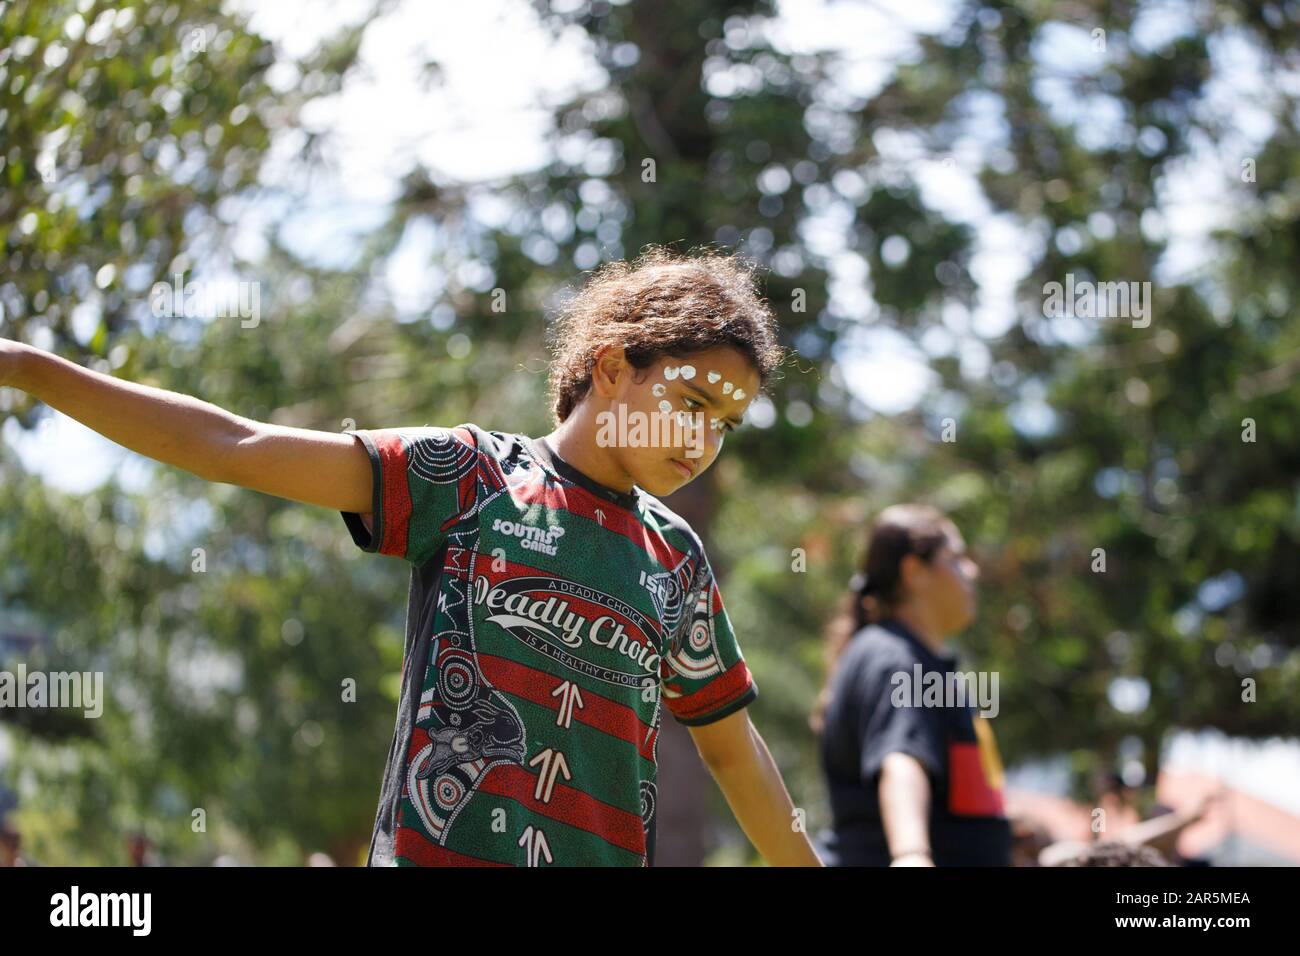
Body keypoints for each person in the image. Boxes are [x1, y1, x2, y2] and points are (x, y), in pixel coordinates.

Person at [0, 246, 822, 867]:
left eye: (727, 423)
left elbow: (731, 749)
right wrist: (30, 368)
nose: (704, 439)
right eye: (691, 402)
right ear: (611, 367)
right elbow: (235, 444)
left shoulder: (675, 558)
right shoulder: (469, 477)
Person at [811, 503, 1012, 866]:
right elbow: (901, 760)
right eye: (956, 558)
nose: (972, 570)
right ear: (914, 571)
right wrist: (911, 855)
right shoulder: (894, 659)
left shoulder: (919, 661)